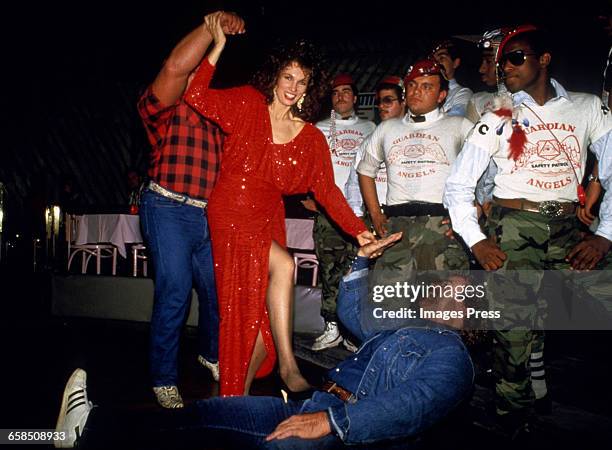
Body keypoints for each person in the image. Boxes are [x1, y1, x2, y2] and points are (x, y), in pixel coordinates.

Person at [53, 232, 475, 450]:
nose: (443, 289)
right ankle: (90, 427)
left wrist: (332, 424)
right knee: (206, 415)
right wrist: (362, 260)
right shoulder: (400, 328)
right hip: (315, 407)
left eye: (458, 290)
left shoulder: (452, 355)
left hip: (341, 433)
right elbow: (350, 315)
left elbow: (413, 405)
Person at [185, 14, 374, 396]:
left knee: (255, 312)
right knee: (283, 266)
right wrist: (217, 45)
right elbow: (195, 94)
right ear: (275, 76)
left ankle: (237, 395)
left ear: (309, 88)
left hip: (265, 216)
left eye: (302, 81)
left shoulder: (309, 138)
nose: (293, 86)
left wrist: (361, 232)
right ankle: (288, 366)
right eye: (288, 76)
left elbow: (328, 192)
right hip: (228, 211)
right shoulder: (245, 103)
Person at [443, 25, 612, 436]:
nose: (506, 67)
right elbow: (459, 185)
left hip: (570, 225)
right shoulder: (499, 114)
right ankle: (512, 417)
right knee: (514, 327)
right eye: (502, 62)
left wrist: (605, 234)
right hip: (515, 224)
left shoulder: (588, 107)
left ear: (544, 60)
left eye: (516, 57)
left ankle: (542, 369)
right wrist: (478, 240)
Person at [137, 11, 245, 408]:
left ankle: (210, 353)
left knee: (217, 290)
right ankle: (163, 378)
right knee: (175, 289)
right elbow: (173, 66)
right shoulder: (166, 106)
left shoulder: (219, 120)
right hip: (166, 207)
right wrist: (210, 27)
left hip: (207, 216)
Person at [356, 59, 473, 287]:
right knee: (388, 303)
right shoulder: (387, 128)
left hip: (440, 224)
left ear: (442, 95)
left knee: (442, 309)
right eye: (412, 86)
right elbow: (365, 171)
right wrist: (376, 214)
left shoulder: (460, 126)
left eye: (426, 86)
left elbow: (483, 170)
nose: (417, 92)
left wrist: (475, 211)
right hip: (396, 226)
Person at [305, 74, 376, 352]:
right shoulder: (319, 129)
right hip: (328, 210)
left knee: (358, 270)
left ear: (356, 98)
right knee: (329, 267)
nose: (341, 97)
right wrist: (308, 198)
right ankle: (331, 326)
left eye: (347, 92)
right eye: (336, 93)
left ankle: (352, 329)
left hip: (360, 209)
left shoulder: (371, 127)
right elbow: (306, 166)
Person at [345, 75, 406, 224]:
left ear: (404, 102)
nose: (381, 106)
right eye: (379, 102)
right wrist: (358, 216)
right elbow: (354, 183)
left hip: (408, 216)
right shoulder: (369, 141)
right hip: (374, 217)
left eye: (388, 101)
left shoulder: (416, 138)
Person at [431, 39, 473, 117]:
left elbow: (454, 122)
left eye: (441, 58)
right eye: (433, 61)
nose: (436, 64)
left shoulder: (462, 93)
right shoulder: (423, 91)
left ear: (455, 63)